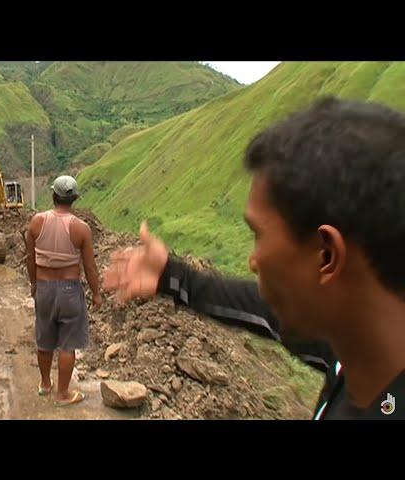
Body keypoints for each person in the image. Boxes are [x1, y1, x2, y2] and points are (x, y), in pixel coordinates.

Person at [103, 98, 405, 419]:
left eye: (258, 234)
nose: (253, 260)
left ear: (327, 255)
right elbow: (265, 309)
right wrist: (171, 277)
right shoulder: (354, 346)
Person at [25, 175, 103, 406]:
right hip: (70, 290)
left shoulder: (37, 222)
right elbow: (90, 266)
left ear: (53, 196)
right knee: (68, 344)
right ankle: (62, 394)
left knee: (44, 338)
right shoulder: (81, 229)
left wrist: (34, 284)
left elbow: (31, 258)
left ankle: (45, 384)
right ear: (74, 199)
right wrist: (96, 293)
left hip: (45, 288)